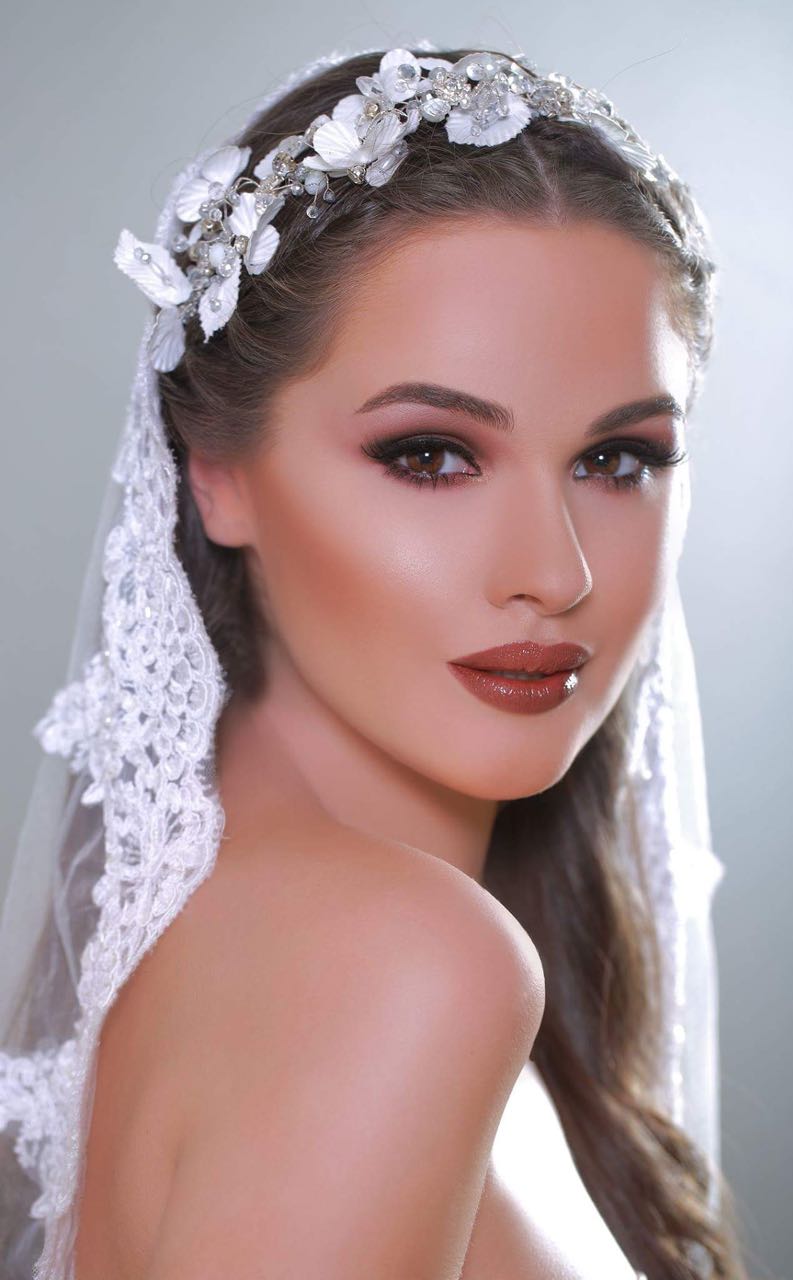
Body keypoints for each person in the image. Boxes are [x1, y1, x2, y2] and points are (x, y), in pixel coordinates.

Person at [0, 41, 750, 1279]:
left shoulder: (217, 935)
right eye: (430, 455)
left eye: (617, 460)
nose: (554, 570)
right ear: (216, 472)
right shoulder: (405, 966)